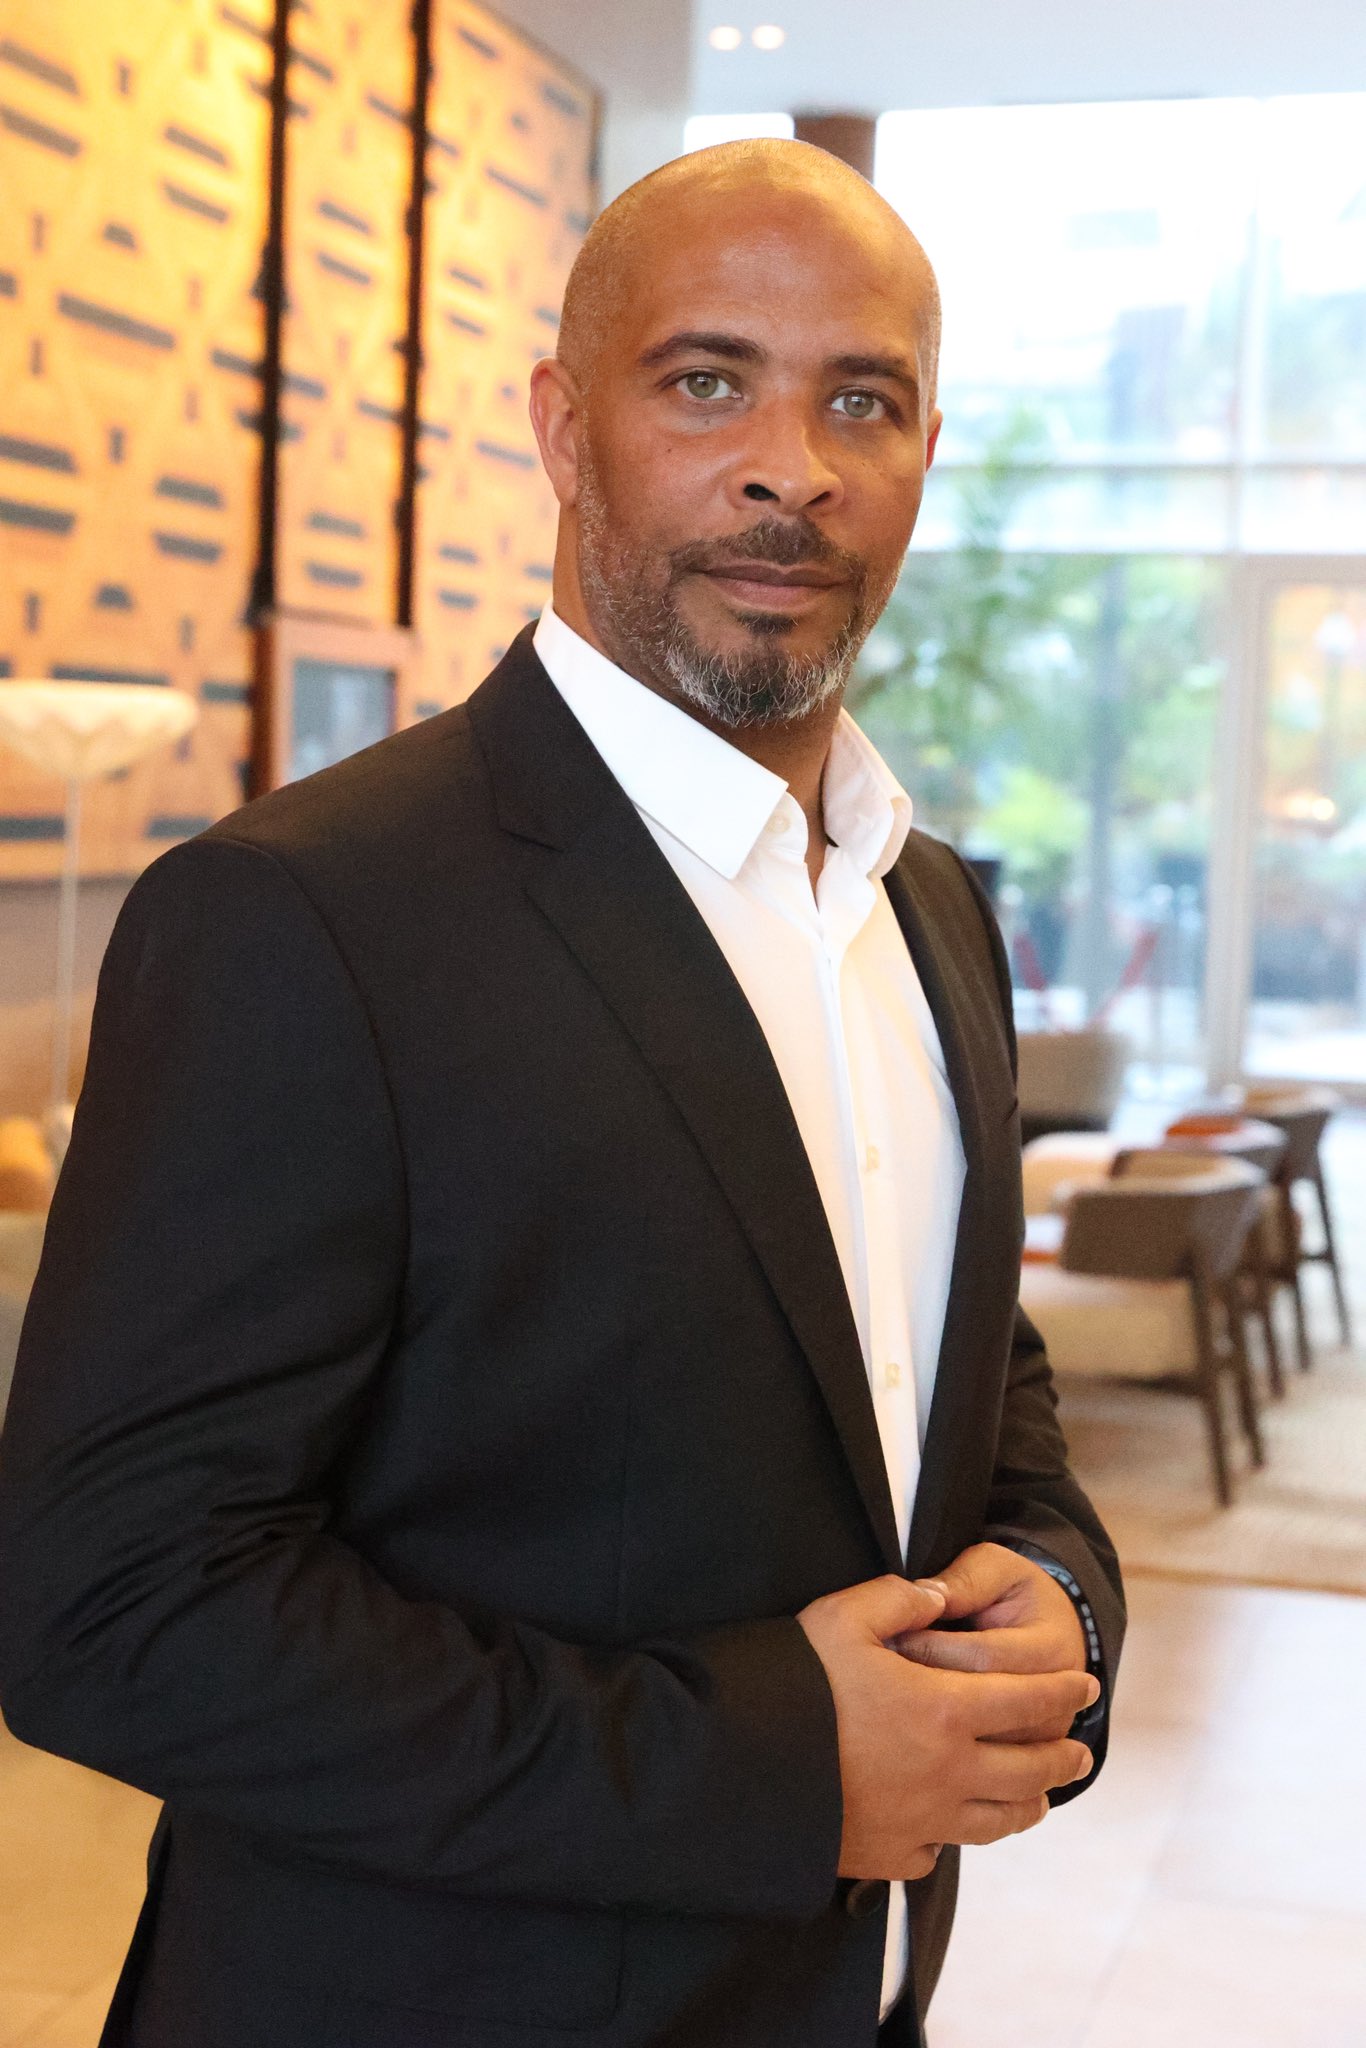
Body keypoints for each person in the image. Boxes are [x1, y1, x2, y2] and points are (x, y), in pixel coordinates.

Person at [0, 139, 1123, 2048]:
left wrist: (1059, 1590)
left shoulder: (927, 911)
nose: (789, 465)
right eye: (706, 382)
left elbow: (958, 1380)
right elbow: (110, 1613)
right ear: (561, 426)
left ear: (926, 455)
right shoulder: (304, 917)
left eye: (862, 401)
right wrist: (770, 1767)